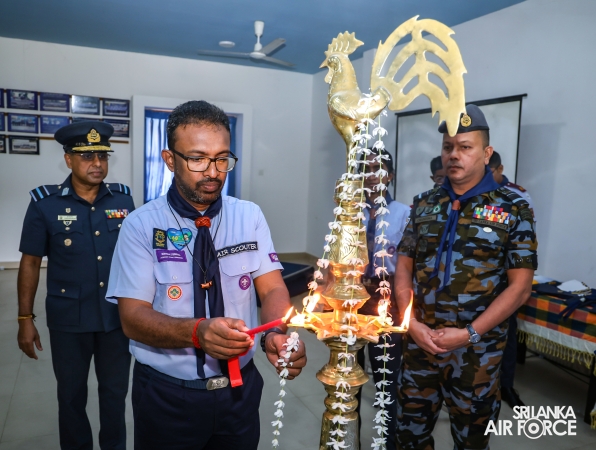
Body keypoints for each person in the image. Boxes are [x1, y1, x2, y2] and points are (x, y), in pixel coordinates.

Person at [106, 100, 307, 450]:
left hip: (239, 393)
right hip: (168, 397)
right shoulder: (141, 225)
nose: (213, 172)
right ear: (170, 160)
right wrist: (197, 332)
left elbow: (272, 288)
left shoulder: (249, 217)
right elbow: (132, 318)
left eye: (222, 159)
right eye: (197, 159)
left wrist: (275, 333)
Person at [395, 104, 538, 450]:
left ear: (486, 153)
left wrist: (469, 334)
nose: (454, 155)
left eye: (465, 147)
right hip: (420, 345)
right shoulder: (424, 204)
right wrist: (409, 322)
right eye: (448, 147)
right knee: (408, 437)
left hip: (477, 353)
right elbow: (403, 268)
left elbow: (520, 288)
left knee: (471, 442)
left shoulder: (513, 208)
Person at [17, 121, 134, 450]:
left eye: (103, 155)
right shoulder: (45, 203)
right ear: (68, 159)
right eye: (86, 156)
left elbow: (138, 258)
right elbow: (30, 263)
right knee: (70, 397)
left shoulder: (123, 200)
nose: (97, 163)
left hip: (115, 319)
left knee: (115, 396)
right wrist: (25, 319)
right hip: (69, 319)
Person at [355, 150, 410, 450]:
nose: (372, 173)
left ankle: (387, 443)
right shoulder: (351, 211)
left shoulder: (402, 213)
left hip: (386, 300)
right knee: (348, 377)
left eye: (379, 168)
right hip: (353, 299)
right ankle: (348, 440)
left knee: (386, 379)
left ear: (390, 175)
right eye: (366, 168)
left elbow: (407, 266)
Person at [489, 150, 536, 408]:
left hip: (506, 276)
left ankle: (505, 385)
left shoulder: (517, 196)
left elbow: (526, 239)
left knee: (506, 332)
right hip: (475, 276)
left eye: (490, 171)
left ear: (500, 169)